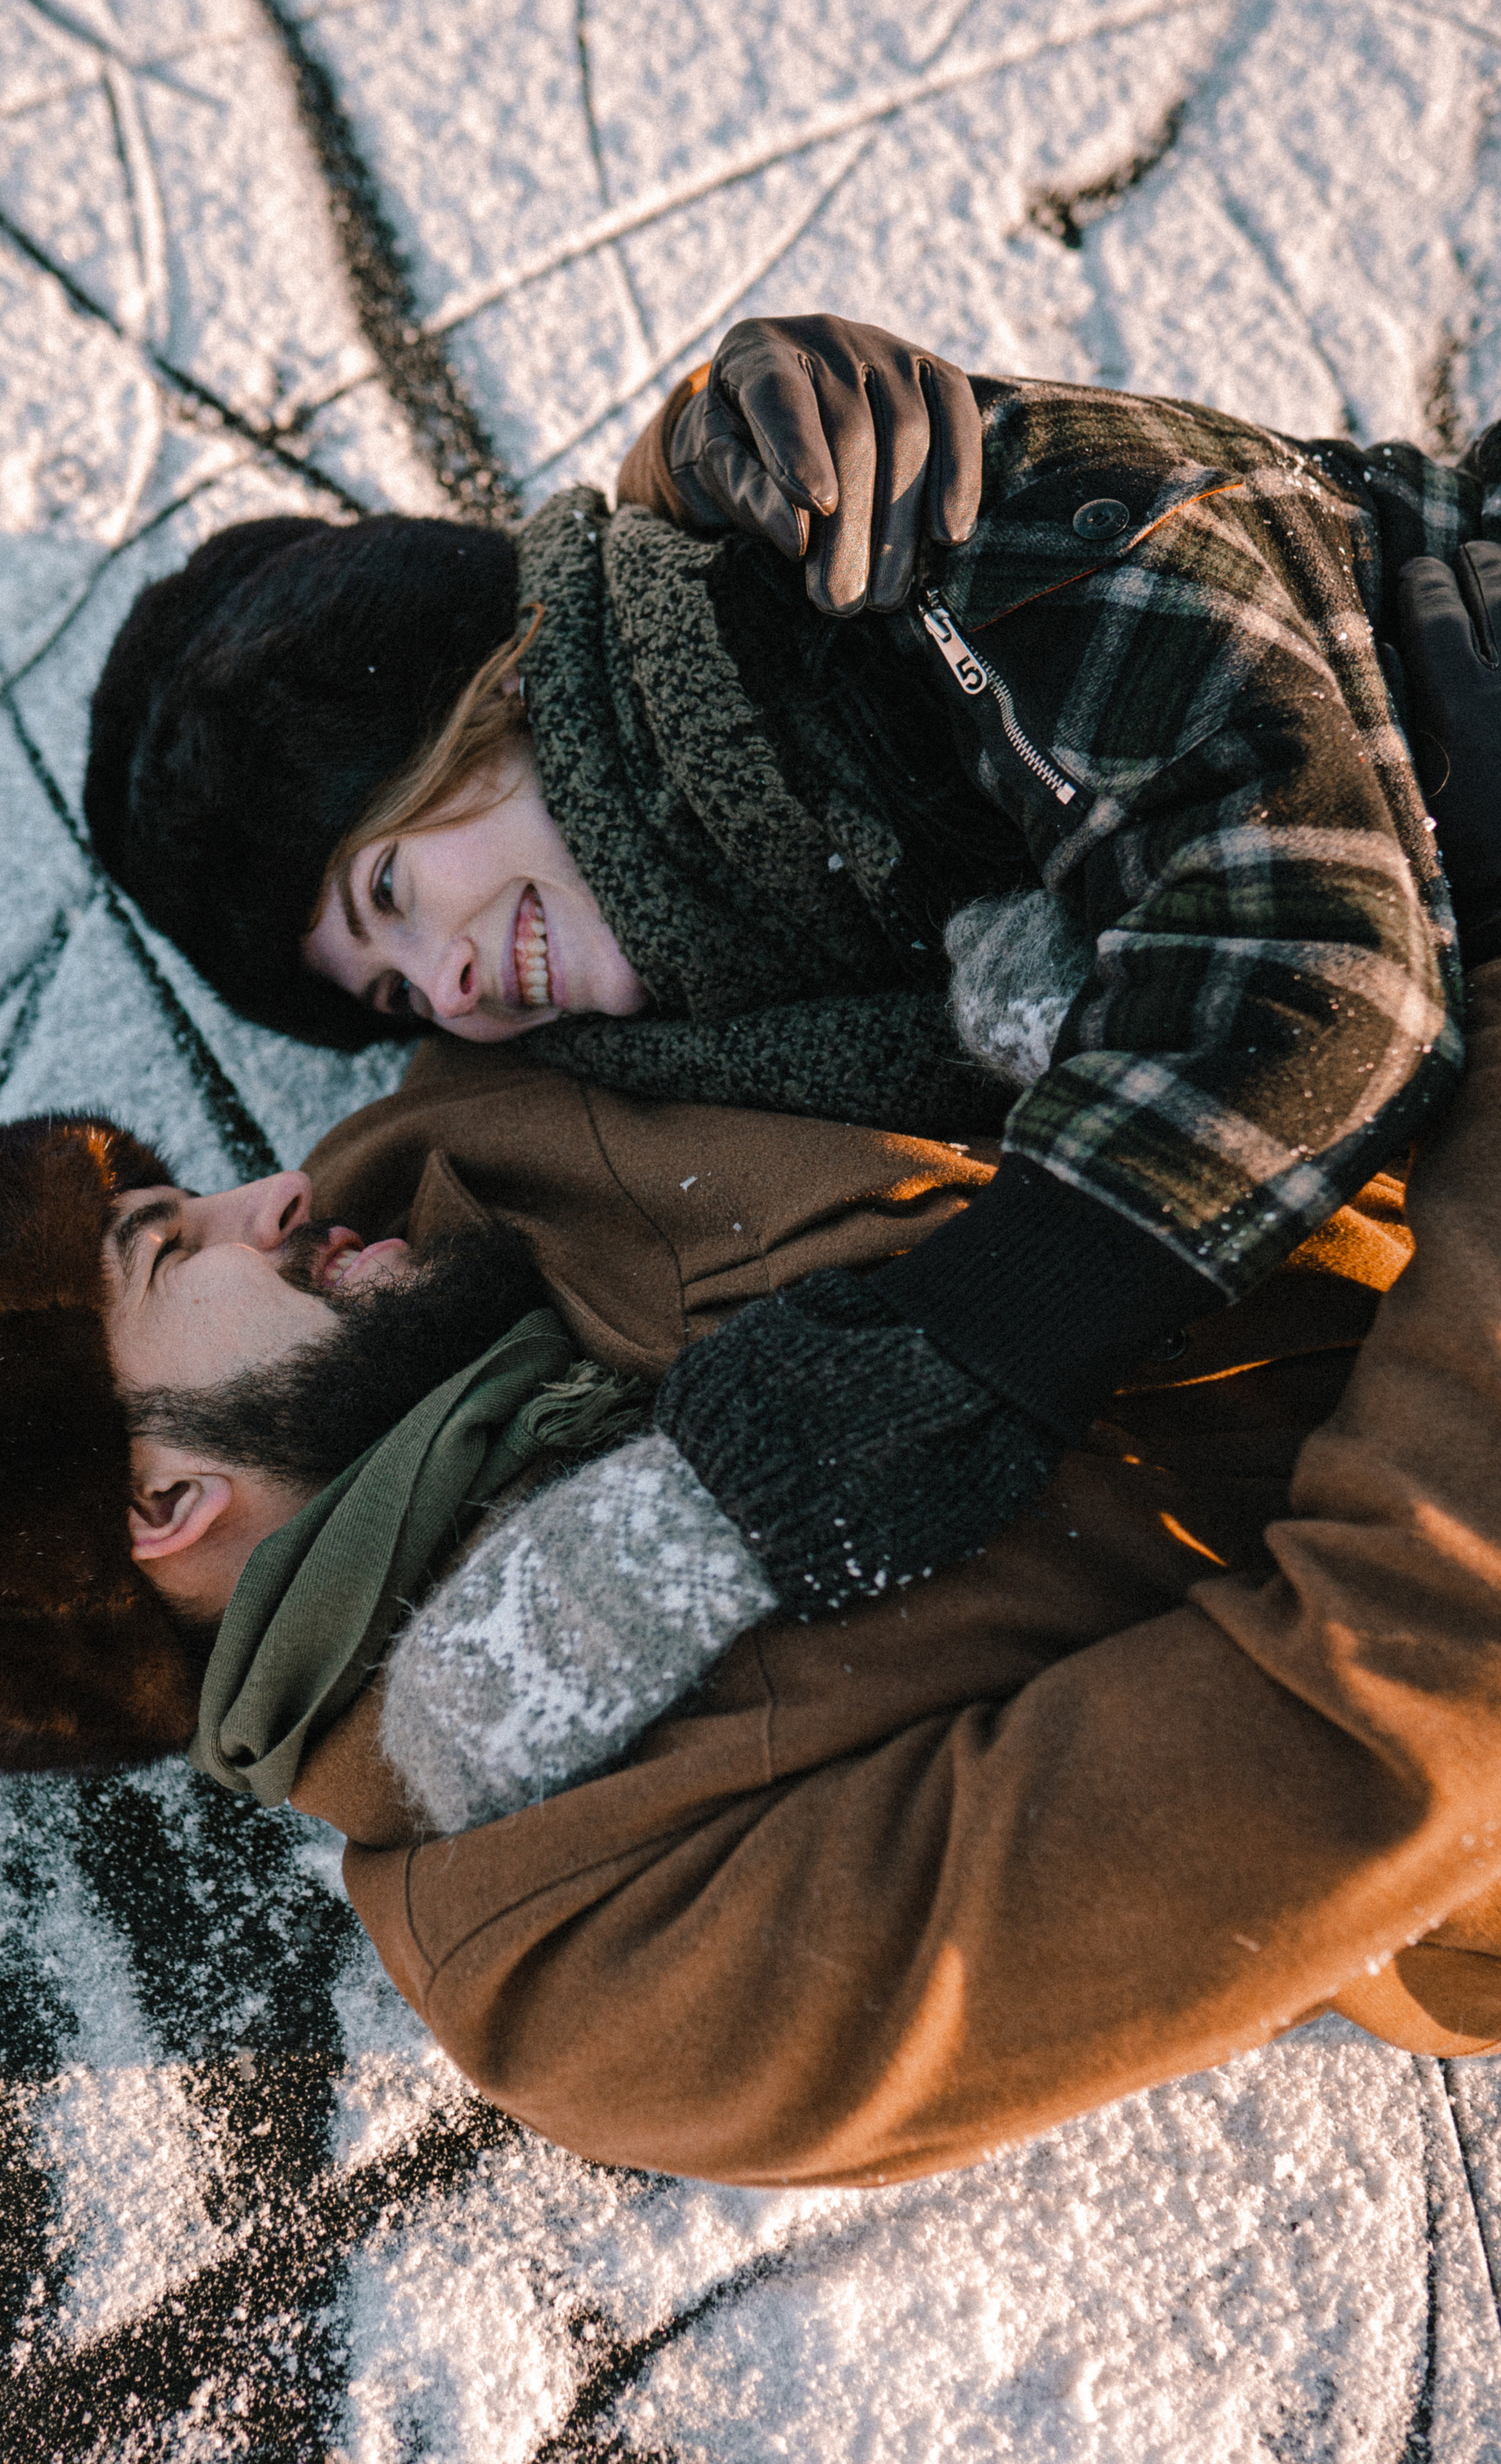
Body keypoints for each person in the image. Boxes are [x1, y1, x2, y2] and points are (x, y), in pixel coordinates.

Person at [0, 984, 1501, 2185]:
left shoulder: (470, 1152)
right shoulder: (578, 1950)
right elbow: (1386, 1716)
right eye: (165, 1248)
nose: (271, 1189)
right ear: (162, 1497)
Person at [82, 315, 1492, 1614]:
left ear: (494, 694)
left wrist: (960, 1352)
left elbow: (1322, 978)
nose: (449, 994)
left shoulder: (931, 533)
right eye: (389, 992)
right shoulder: (771, 997)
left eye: (389, 890)